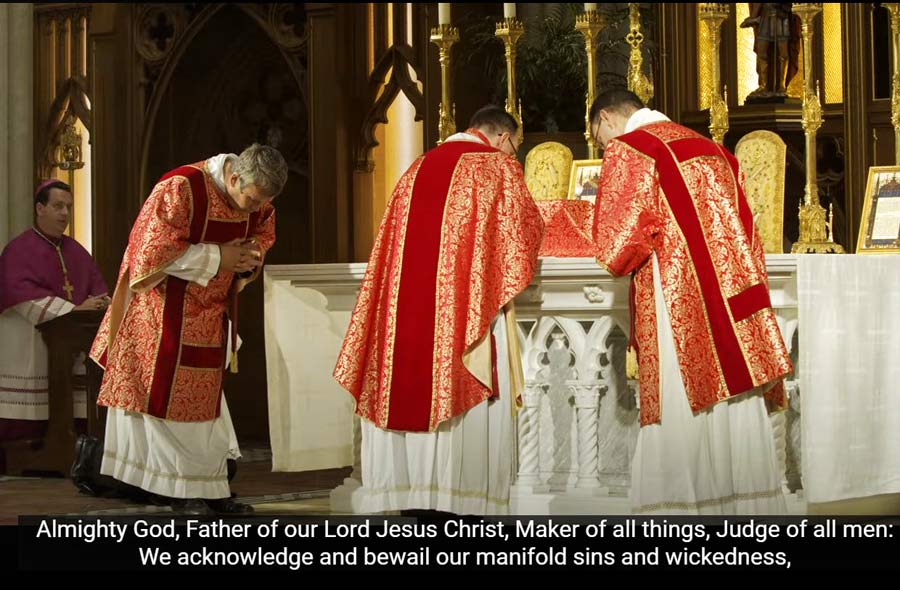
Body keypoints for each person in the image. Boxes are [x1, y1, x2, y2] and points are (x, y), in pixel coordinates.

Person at [588, 89, 793, 514]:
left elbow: (617, 248)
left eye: (599, 138)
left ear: (608, 118)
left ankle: (680, 515)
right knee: (732, 395)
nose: (604, 147)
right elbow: (748, 230)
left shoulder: (631, 150)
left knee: (684, 399)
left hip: (674, 299)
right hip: (733, 296)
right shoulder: (713, 149)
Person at [333, 105, 544, 515]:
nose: (512, 155)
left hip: (403, 321)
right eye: (514, 147)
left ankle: (413, 498)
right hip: (464, 315)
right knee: (460, 393)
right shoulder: (495, 168)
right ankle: (456, 503)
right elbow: (524, 236)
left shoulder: (415, 168)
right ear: (502, 138)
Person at [89, 144, 286, 514]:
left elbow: (263, 232)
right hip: (161, 314)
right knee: (168, 404)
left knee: (206, 408)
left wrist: (248, 259)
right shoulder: (181, 188)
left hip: (210, 315)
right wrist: (220, 256)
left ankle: (207, 488)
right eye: (250, 199)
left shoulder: (257, 198)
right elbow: (149, 256)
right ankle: (178, 490)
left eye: (261, 202)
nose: (253, 208)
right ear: (233, 177)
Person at [0, 180, 108, 448]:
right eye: (58, 206)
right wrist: (72, 309)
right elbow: (20, 294)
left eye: (69, 207)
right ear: (40, 208)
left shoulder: (77, 251)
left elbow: (99, 291)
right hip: (31, 341)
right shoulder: (18, 250)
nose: (65, 214)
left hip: (72, 343)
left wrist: (99, 303)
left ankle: (78, 444)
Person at [740, 3, 801, 101]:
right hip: (765, 16)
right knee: (762, 52)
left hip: (782, 17)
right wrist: (753, 17)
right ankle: (764, 85)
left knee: (783, 54)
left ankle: (781, 86)